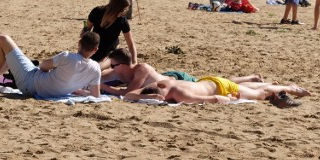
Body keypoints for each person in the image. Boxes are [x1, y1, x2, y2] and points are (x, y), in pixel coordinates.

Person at [0, 31, 102, 97]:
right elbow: (95, 95)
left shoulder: (68, 57)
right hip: (46, 88)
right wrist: (81, 91)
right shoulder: (96, 69)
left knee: (3, 39)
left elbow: (42, 66)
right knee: (11, 58)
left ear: (79, 44)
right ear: (95, 50)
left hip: (30, 82)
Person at [100, 48, 264, 96]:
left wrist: (104, 87)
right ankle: (252, 78)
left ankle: (252, 78)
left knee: (216, 83)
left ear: (122, 65)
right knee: (214, 83)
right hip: (170, 78)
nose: (112, 69)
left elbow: (129, 92)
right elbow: (99, 75)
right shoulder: (120, 72)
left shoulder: (141, 69)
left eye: (114, 66)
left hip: (178, 79)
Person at [124, 77, 311, 105]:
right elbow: (128, 95)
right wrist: (151, 95)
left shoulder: (179, 96)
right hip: (209, 79)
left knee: (261, 94)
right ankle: (281, 85)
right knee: (252, 88)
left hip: (221, 87)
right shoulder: (164, 82)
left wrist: (228, 99)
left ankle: (289, 88)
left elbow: (215, 99)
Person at [83, 0, 137, 70]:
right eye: (124, 10)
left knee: (97, 68)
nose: (125, 12)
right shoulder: (97, 12)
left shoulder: (122, 20)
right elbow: (87, 28)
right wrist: (84, 33)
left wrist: (134, 63)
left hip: (111, 52)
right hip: (94, 48)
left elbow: (131, 44)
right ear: (117, 9)